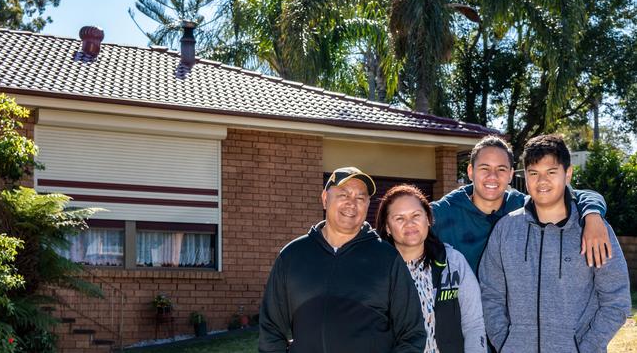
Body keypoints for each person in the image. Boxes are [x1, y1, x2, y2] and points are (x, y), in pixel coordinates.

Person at [478, 134, 631, 352]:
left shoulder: (593, 230)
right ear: (525, 176)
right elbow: (490, 294)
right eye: (534, 173)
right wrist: (506, 343)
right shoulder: (505, 229)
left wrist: (585, 348)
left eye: (551, 172)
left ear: (567, 174)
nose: (542, 181)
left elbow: (616, 301)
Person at [259, 167, 426, 353]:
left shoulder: (387, 259)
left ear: (367, 205)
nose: (352, 204)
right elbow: (270, 332)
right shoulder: (292, 256)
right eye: (343, 195)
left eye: (360, 198)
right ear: (324, 199)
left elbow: (412, 334)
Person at [431, 135, 610, 275]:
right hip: (458, 316)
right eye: (484, 168)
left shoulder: (520, 206)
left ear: (510, 174)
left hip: (506, 317)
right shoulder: (444, 212)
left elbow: (578, 195)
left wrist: (593, 215)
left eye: (501, 169)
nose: (492, 176)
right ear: (470, 171)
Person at [376, 184, 486, 353]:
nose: (410, 224)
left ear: (428, 219)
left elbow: (474, 324)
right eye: (399, 218)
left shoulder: (453, 261)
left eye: (416, 215)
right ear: (388, 228)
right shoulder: (378, 270)